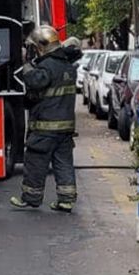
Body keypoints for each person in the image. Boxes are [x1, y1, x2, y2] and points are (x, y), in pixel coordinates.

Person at [11, 25, 82, 213]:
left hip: (45, 128)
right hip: (65, 129)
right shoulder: (67, 65)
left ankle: (31, 198)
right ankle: (66, 200)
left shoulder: (47, 66)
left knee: (35, 162)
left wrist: (24, 63)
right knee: (63, 163)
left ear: (41, 46)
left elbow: (35, 82)